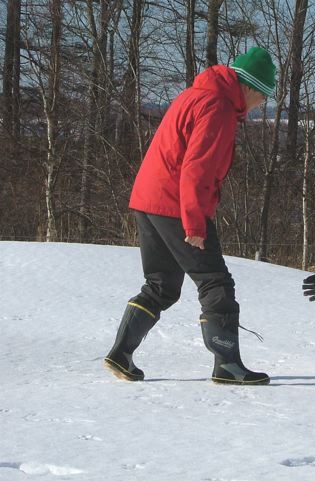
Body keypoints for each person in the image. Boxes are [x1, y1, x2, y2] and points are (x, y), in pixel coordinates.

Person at [104, 47, 276, 385]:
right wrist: (194, 223)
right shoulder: (219, 107)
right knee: (215, 281)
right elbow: (196, 169)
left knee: (162, 285)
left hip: (148, 199)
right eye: (263, 97)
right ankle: (227, 364)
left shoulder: (196, 94)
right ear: (252, 88)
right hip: (175, 204)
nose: (259, 106)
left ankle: (120, 354)